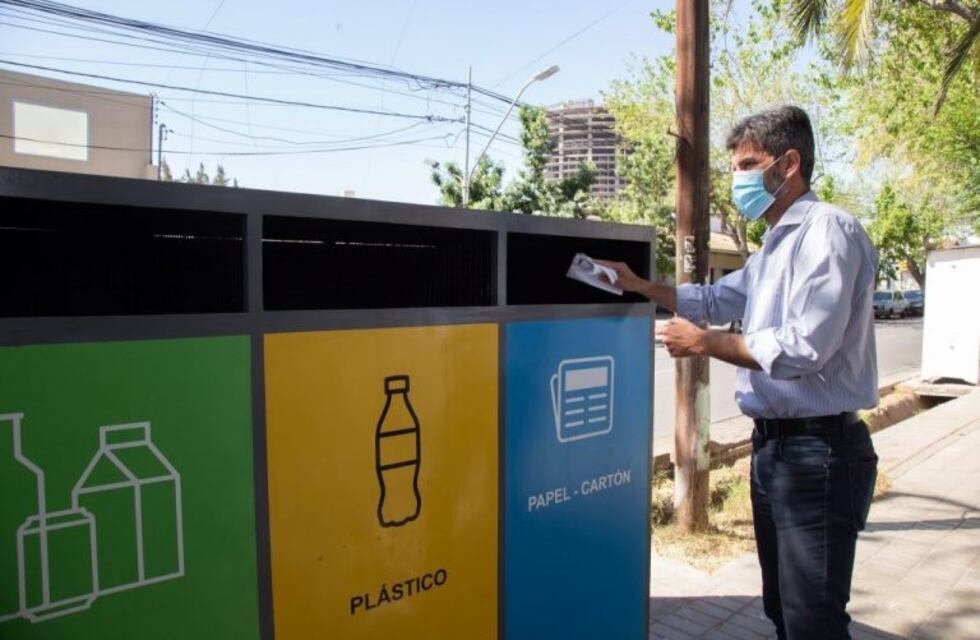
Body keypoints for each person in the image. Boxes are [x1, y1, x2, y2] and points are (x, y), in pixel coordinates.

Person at [600, 105, 879, 640]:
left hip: (818, 454)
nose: (738, 180)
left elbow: (803, 348)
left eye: (748, 164)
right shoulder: (774, 244)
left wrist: (703, 344)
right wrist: (639, 285)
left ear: (789, 163)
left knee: (813, 621)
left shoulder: (828, 231)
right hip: (774, 451)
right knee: (781, 608)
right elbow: (713, 297)